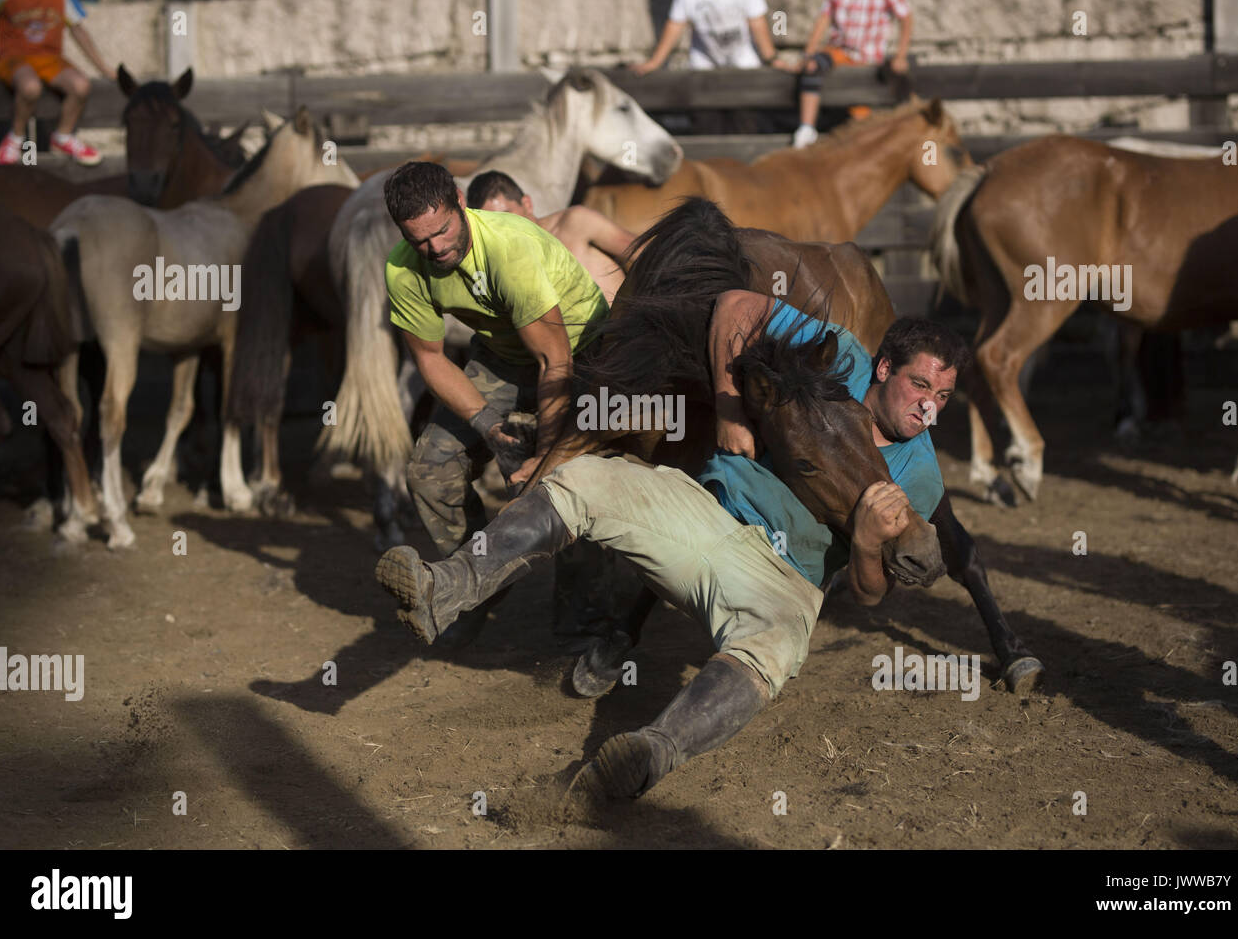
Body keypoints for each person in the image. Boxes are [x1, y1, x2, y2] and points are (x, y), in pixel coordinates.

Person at [376, 289, 968, 802]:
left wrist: (865, 546)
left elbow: (870, 596)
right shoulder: (837, 354)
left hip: (784, 579)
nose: (928, 409)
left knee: (775, 649)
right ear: (883, 366)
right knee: (583, 479)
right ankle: (445, 588)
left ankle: (648, 756)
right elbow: (736, 305)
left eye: (942, 398)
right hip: (700, 512)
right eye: (920, 385)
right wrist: (731, 409)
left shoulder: (920, 475)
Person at [383, 161, 617, 647]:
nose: (436, 248)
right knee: (429, 469)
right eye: (420, 240)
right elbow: (430, 358)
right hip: (504, 354)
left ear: (460, 203)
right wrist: (491, 428)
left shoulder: (508, 247)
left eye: (443, 230)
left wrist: (541, 459)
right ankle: (471, 586)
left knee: (567, 479)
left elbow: (556, 360)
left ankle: (586, 618)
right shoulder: (403, 268)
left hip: (583, 350)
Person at [0, 0, 114, 165]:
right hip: (14, 59)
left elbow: (78, 28)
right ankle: (15, 138)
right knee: (31, 87)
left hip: (50, 59)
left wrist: (105, 69)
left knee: (81, 85)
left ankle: (63, 136)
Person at [465, 170, 637, 303]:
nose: (502, 229)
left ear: (527, 204)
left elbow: (645, 252)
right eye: (491, 224)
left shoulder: (575, 223)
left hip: (625, 334)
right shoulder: (502, 266)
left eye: (507, 216)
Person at [792, 0, 913, 148]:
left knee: (860, 118)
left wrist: (901, 56)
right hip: (839, 50)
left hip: (869, 57)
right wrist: (808, 54)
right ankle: (806, 129)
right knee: (813, 66)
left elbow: (906, 17)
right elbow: (824, 17)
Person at [633, 0, 780, 74]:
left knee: (745, 117)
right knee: (706, 116)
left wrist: (771, 58)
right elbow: (676, 23)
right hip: (704, 61)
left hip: (743, 59)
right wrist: (655, 62)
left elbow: (757, 21)